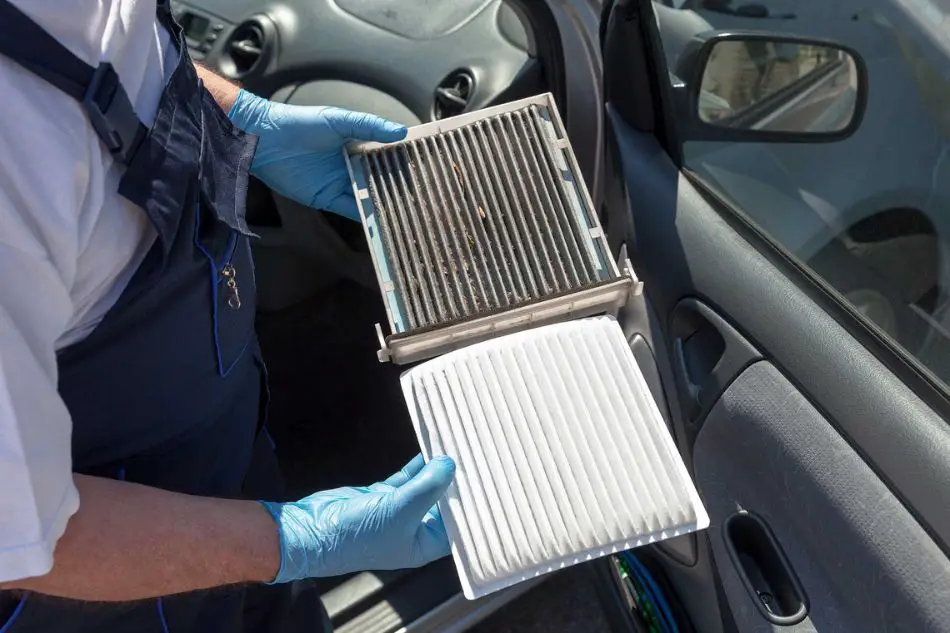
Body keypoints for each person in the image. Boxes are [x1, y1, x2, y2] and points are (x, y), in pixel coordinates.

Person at [0, 1, 457, 632]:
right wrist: (292, 543)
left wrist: (239, 119)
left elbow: (118, 52)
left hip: (223, 454)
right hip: (111, 583)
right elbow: (24, 539)